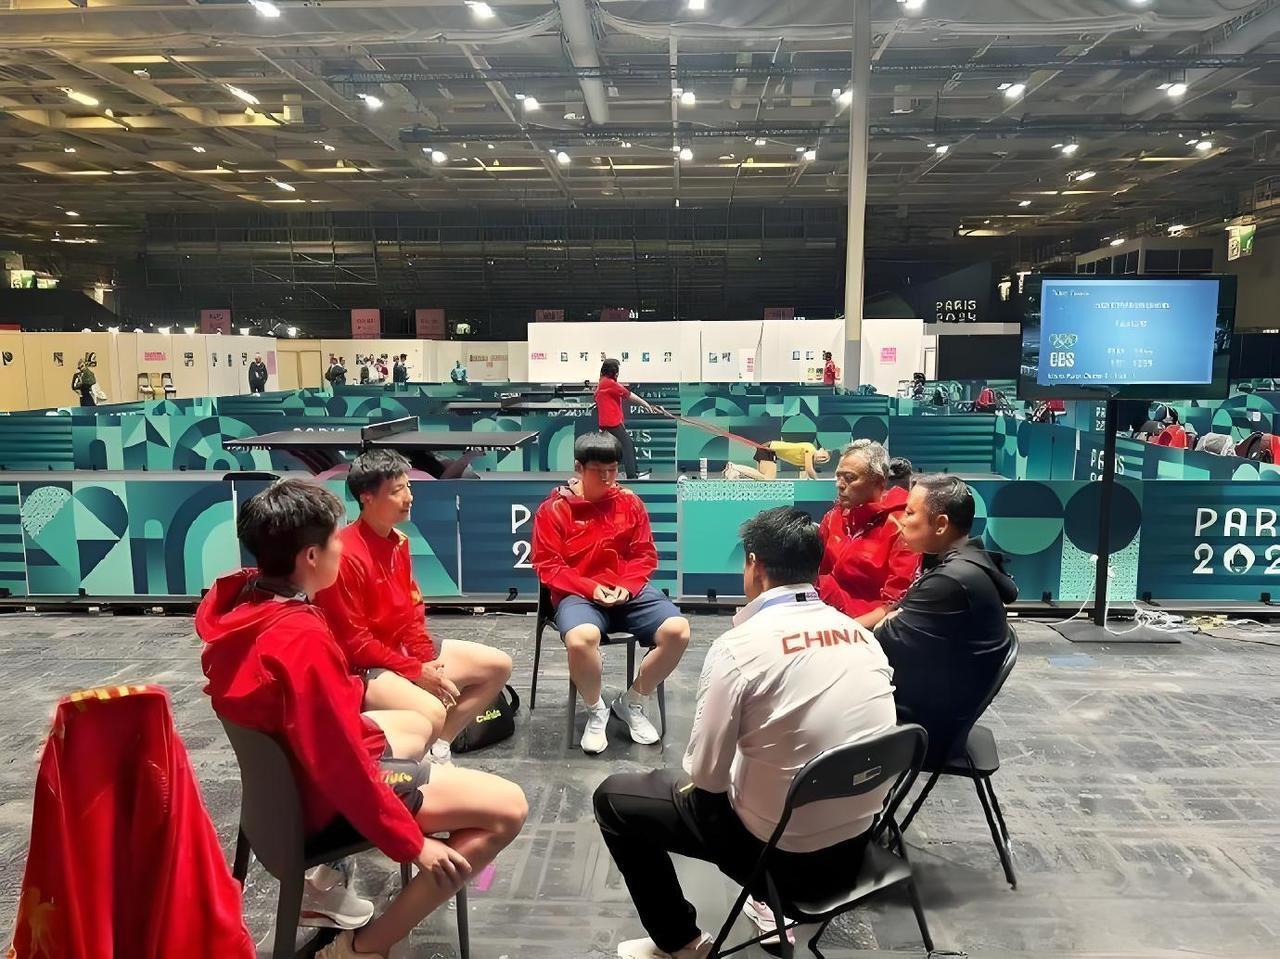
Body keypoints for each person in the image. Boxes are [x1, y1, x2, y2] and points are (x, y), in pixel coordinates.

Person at [197, 479, 526, 959]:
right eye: (334, 538)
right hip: (321, 801)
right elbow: (341, 767)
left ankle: (373, 842)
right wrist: (411, 843)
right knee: (509, 808)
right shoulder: (301, 640)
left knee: (419, 725)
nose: (342, 545)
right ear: (311, 556)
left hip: (281, 791)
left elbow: (324, 726)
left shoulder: (243, 604)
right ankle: (364, 947)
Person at [593, 507, 897, 959]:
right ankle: (763, 903)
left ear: (754, 564)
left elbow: (706, 778)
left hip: (780, 857)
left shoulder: (738, 648)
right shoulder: (862, 636)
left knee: (614, 799)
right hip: (857, 847)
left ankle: (681, 943)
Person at [315, 450, 513, 763]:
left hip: (401, 653)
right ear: (367, 497)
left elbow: (412, 614)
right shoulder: (343, 555)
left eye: (408, 487)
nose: (409, 497)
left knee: (498, 666)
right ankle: (412, 771)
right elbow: (355, 645)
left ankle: (439, 749)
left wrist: (425, 661)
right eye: (397, 491)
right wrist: (416, 672)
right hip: (361, 669)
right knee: (432, 710)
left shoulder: (400, 541)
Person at [531, 431, 690, 755]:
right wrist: (591, 588)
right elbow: (548, 566)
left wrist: (626, 587)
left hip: (627, 592)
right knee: (581, 639)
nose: (607, 478)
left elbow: (644, 555)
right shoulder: (553, 510)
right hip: (578, 594)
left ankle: (632, 700)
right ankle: (596, 710)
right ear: (579, 468)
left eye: (612, 470)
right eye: (598, 471)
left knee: (678, 630)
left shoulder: (630, 503)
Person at [875, 474, 1016, 766]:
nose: (901, 520)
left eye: (910, 513)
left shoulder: (950, 581)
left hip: (926, 731)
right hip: (946, 711)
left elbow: (882, 639)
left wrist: (886, 622)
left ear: (940, 524)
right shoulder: (967, 564)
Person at [816, 439, 919, 628]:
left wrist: (848, 632)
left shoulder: (902, 524)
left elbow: (893, 603)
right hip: (825, 619)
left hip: (869, 629)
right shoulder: (833, 517)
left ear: (879, 481)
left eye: (850, 478)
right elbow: (816, 575)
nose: (839, 484)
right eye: (838, 476)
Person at [596, 357, 661, 480]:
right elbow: (629, 395)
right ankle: (632, 474)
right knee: (627, 445)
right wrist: (646, 405)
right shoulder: (609, 384)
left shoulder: (602, 383)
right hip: (611, 423)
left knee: (616, 448)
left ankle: (627, 472)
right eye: (617, 371)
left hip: (607, 423)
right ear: (613, 372)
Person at [724, 440, 831, 481]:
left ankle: (735, 471)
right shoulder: (810, 448)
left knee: (763, 479)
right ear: (821, 450)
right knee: (768, 480)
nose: (821, 459)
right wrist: (818, 482)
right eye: (823, 456)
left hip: (770, 452)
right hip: (768, 449)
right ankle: (735, 468)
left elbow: (805, 475)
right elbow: (809, 469)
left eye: (823, 461)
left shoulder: (807, 459)